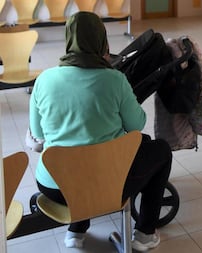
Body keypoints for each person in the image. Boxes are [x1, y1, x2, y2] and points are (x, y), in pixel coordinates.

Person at [29, 11, 172, 252]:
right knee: (160, 150)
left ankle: (76, 231)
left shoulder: (44, 80)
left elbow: (37, 133)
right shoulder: (114, 80)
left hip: (55, 188)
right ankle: (145, 234)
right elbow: (136, 125)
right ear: (102, 41)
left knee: (74, 155)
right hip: (108, 184)